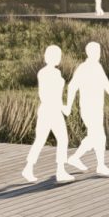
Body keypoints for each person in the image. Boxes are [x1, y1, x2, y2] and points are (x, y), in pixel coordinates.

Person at [65, 40, 109, 177]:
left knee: (94, 136)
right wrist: (69, 106)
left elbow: (104, 81)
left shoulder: (97, 66)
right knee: (99, 136)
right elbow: (72, 86)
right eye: (98, 52)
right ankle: (100, 165)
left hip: (97, 107)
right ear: (91, 53)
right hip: (88, 109)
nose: (100, 54)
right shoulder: (83, 68)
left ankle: (75, 158)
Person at [24, 46, 74, 183]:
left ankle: (30, 168)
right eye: (58, 55)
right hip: (49, 110)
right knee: (57, 139)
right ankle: (59, 171)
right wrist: (62, 108)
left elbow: (56, 95)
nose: (59, 58)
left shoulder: (55, 73)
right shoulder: (45, 73)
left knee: (47, 140)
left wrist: (62, 106)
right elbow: (45, 95)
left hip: (53, 110)